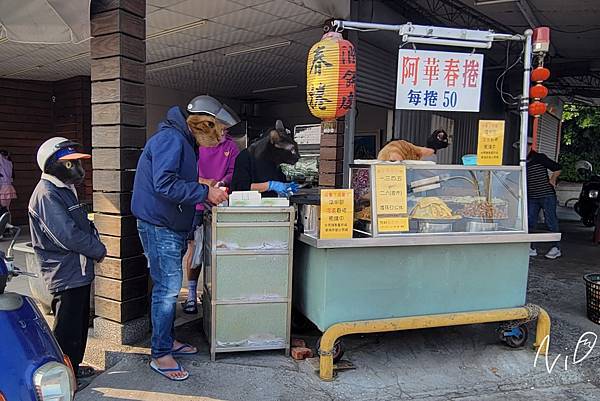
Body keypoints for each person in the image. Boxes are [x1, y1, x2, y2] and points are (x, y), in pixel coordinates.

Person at [132, 96, 235, 381]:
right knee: (167, 290)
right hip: (159, 226)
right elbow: (163, 184)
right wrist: (204, 193)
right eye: (222, 130)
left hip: (167, 224)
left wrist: (202, 185)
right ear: (206, 125)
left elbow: (169, 179)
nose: (223, 136)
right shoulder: (172, 140)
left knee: (168, 288)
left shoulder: (181, 140)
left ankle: (167, 341)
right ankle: (160, 354)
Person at [28, 137, 106, 381]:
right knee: (67, 327)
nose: (76, 169)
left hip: (78, 270)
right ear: (52, 165)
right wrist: (97, 249)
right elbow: (66, 235)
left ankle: (73, 366)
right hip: (65, 271)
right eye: (69, 164)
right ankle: (61, 376)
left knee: (79, 324)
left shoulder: (63, 189)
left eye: (77, 163)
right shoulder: (46, 194)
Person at [182, 129, 240, 314]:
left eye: (225, 128)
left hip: (220, 203)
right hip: (196, 204)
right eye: (219, 126)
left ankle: (218, 296)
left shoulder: (231, 146)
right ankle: (191, 295)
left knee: (222, 249)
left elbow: (233, 171)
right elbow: (186, 174)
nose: (222, 131)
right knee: (195, 249)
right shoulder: (197, 142)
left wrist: (222, 181)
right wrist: (207, 183)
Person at [231, 120, 300, 197]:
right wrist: (271, 185)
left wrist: (286, 186)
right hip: (249, 206)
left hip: (272, 205)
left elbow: (280, 182)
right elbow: (240, 188)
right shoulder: (245, 157)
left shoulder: (273, 160)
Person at [524, 137, 562, 259]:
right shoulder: (521, 161)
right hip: (531, 196)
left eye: (526, 145)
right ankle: (531, 247)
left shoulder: (539, 157)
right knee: (530, 221)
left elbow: (557, 168)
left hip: (546, 195)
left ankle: (556, 248)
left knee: (550, 220)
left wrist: (552, 179)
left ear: (530, 146)